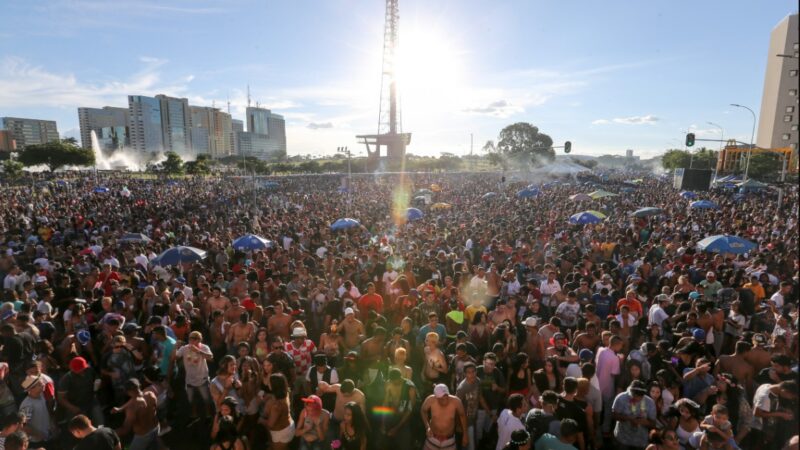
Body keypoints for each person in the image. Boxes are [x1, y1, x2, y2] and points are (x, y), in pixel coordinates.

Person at [112, 379, 159, 450]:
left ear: (128, 392)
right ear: (139, 386)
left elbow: (125, 430)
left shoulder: (131, 409)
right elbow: (135, 399)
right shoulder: (150, 394)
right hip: (156, 427)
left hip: (143, 435)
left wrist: (108, 432)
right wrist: (120, 408)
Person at [421, 383, 468, 450]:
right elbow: (423, 410)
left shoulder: (456, 401)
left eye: (446, 396)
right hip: (432, 438)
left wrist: (465, 435)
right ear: (436, 397)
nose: (445, 399)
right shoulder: (431, 400)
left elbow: (463, 416)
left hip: (449, 441)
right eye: (442, 398)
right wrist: (427, 427)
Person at [611, 380, 656, 450]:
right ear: (629, 391)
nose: (637, 398)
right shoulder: (621, 398)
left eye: (640, 396)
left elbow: (653, 424)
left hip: (641, 442)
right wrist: (628, 418)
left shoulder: (650, 402)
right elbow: (614, 415)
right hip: (622, 439)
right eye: (634, 395)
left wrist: (644, 422)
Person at [261, 373, 294, 450]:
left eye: (269, 382)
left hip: (281, 432)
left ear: (274, 386)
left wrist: (261, 420)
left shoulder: (276, 405)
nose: (268, 382)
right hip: (288, 426)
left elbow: (270, 425)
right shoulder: (287, 393)